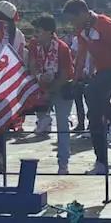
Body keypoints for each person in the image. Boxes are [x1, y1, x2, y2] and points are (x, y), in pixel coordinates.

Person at [63, 0, 111, 176]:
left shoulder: (106, 24)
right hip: (103, 73)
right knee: (94, 116)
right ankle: (101, 162)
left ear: (82, 13)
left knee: (91, 91)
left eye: (72, 19)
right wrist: (77, 78)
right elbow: (82, 55)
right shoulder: (82, 29)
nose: (71, 24)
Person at [30, 14, 74, 174]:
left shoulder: (62, 48)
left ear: (49, 32)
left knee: (62, 126)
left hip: (61, 89)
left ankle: (63, 163)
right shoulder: (34, 45)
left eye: (39, 31)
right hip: (42, 88)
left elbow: (65, 74)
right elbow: (32, 65)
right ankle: (44, 118)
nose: (36, 34)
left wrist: (50, 90)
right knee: (41, 118)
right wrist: (39, 77)